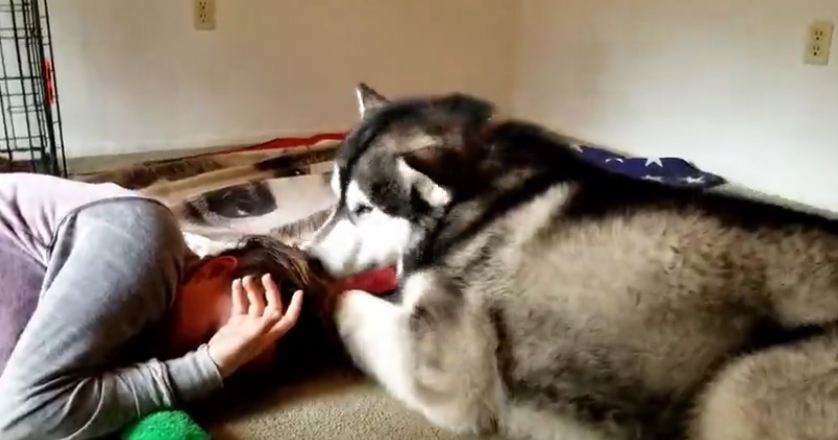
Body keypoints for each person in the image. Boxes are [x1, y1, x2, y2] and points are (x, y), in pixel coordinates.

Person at [0, 172, 333, 439]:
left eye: (234, 365)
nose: (221, 355)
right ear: (214, 269)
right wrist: (206, 365)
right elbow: (19, 417)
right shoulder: (146, 241)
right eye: (216, 333)